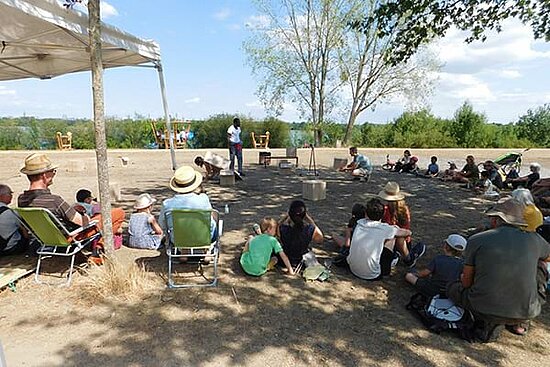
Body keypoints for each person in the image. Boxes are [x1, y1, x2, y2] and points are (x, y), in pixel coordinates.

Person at [447, 197, 550, 338]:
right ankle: (520, 322)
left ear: (495, 220)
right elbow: (547, 257)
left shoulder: (477, 239)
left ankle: (487, 317)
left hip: (481, 307)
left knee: (452, 286)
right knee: (541, 263)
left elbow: (466, 282)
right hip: (526, 311)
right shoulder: (535, 239)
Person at [17, 153, 117, 265]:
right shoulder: (54, 200)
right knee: (117, 213)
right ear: (44, 175)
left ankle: (79, 255)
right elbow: (83, 223)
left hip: (45, 238)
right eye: (52, 171)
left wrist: (71, 209)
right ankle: (97, 252)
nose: (54, 173)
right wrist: (85, 215)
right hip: (68, 238)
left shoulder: (22, 200)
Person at [346, 198, 424, 280]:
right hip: (372, 275)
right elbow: (408, 232)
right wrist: (395, 228)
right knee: (392, 237)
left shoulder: (359, 223)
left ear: (366, 214)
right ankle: (393, 264)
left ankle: (399, 257)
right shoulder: (385, 228)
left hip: (353, 269)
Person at [159, 165, 218, 243]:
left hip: (177, 239)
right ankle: (205, 250)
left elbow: (162, 224)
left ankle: (184, 252)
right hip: (204, 237)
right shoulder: (203, 199)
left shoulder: (167, 204)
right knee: (213, 215)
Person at [278, 200, 323, 267]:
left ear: (290, 214)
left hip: (286, 260)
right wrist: (309, 219)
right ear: (304, 215)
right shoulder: (309, 229)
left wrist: (285, 217)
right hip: (302, 260)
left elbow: (277, 227)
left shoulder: (283, 229)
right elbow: (320, 239)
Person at [379, 181, 412, 247]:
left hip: (397, 239)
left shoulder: (386, 209)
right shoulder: (404, 209)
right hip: (402, 239)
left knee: (397, 238)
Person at [0, 184, 28, 256]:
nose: (11, 196)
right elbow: (24, 230)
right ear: (2, 196)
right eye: (10, 193)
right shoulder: (10, 213)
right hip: (8, 249)